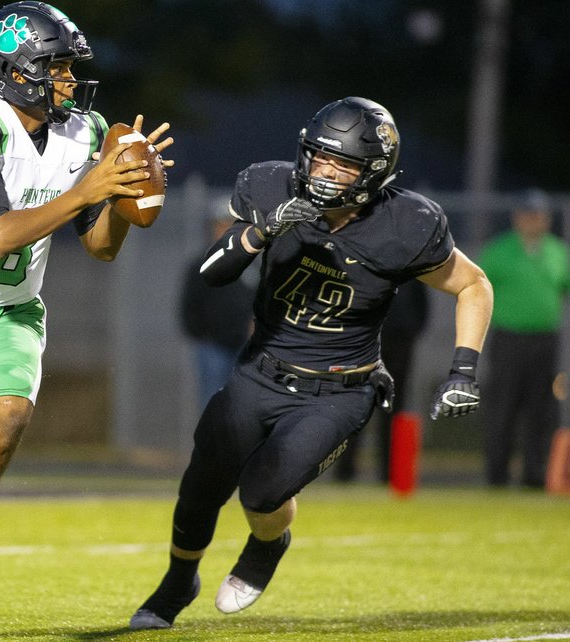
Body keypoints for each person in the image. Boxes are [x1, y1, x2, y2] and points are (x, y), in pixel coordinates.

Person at [129, 96, 493, 630]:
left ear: (373, 173)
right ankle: (178, 579)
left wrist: (463, 369)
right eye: (319, 156)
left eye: (342, 163)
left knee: (263, 490)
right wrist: (263, 231)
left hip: (342, 388)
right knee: (203, 483)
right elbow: (212, 272)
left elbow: (473, 285)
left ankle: (267, 547)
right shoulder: (269, 188)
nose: (324, 171)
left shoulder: (406, 223)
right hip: (261, 370)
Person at [0, 1, 173, 626]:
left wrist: (124, 198)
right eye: (57, 67)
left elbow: (98, 247)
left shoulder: (86, 132)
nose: (69, 81)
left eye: (70, 67)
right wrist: (87, 190)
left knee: (10, 413)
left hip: (7, 316)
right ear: (13, 71)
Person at [478, 190, 570, 489]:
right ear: (517, 218)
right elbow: (477, 291)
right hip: (508, 339)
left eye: (539, 216)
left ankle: (535, 474)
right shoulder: (499, 251)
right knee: (502, 408)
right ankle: (497, 475)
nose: (533, 221)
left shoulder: (558, 252)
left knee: (540, 409)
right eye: (528, 215)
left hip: (544, 340)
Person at [334, 278, 430, 482]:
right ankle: (344, 471)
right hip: (364, 342)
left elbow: (420, 308)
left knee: (391, 408)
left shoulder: (409, 270)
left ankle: (389, 473)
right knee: (356, 404)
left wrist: (409, 333)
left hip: (398, 341)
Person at [180, 211, 255, 409]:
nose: (225, 229)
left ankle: (237, 439)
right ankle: (212, 439)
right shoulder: (201, 263)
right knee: (212, 396)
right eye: (220, 224)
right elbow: (190, 305)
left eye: (230, 225)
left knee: (242, 399)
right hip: (212, 344)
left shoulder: (252, 263)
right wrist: (202, 334)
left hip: (246, 344)